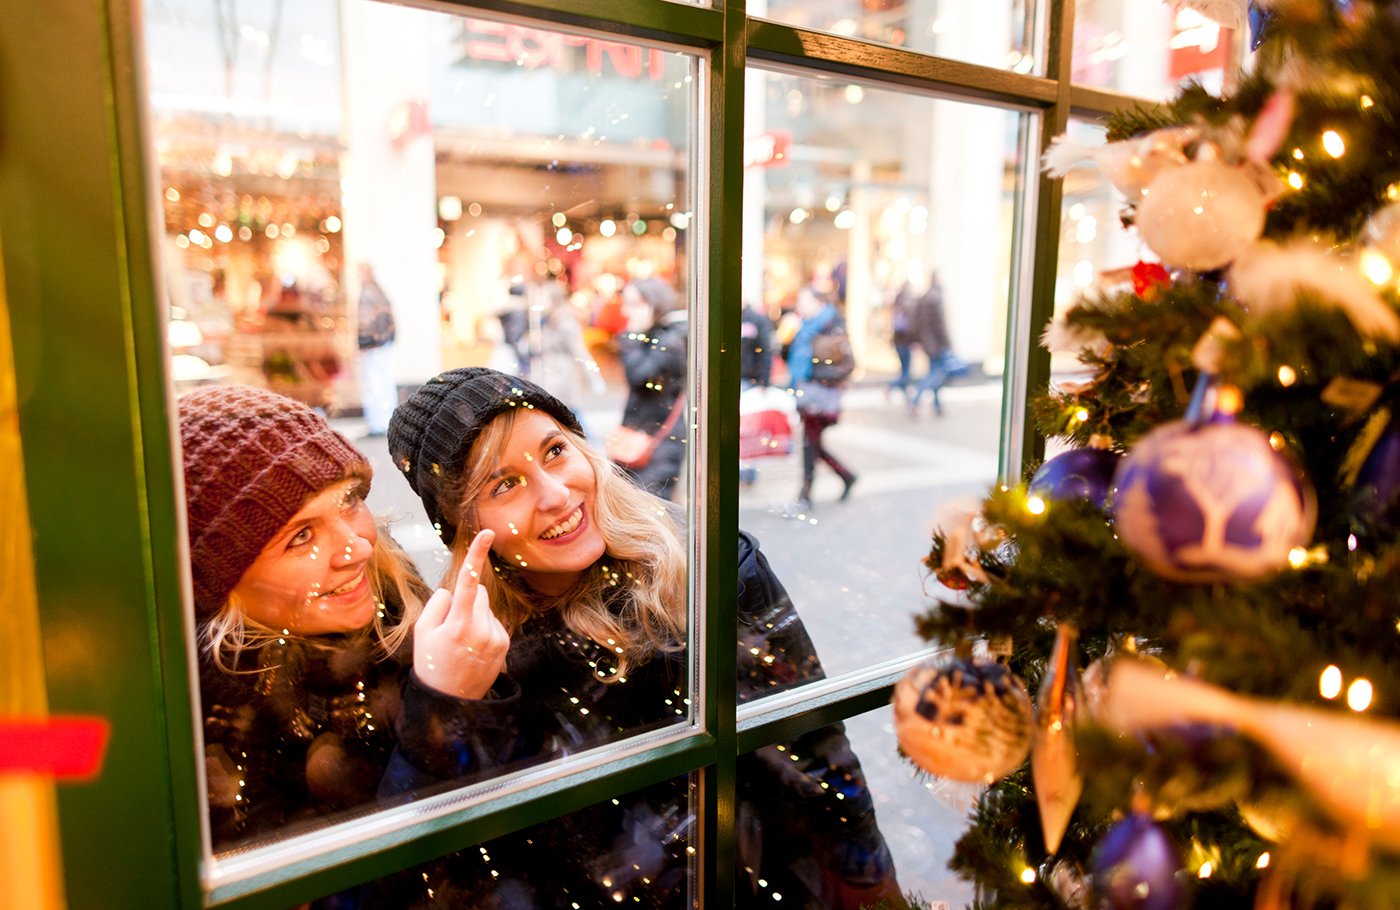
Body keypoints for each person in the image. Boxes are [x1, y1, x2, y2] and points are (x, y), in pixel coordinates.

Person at [384, 367, 905, 908]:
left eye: (556, 451)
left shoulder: (707, 567)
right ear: (464, 526)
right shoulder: (470, 654)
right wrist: (442, 702)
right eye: (504, 484)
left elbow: (813, 744)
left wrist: (868, 874)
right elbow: (451, 861)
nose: (556, 494)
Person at [181, 385, 508, 851]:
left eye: (350, 500)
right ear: (219, 580)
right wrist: (442, 708)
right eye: (300, 536)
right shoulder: (216, 724)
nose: (358, 547)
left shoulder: (392, 592)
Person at [616, 276, 688, 499]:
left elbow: (639, 375)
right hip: (643, 433)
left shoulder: (671, 339)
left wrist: (632, 336)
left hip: (660, 440)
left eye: (632, 304)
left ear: (651, 304)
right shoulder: (656, 335)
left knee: (650, 508)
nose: (626, 311)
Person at [788, 285, 857, 511]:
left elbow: (849, 364)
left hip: (822, 397)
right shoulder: (802, 328)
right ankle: (846, 476)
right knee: (812, 444)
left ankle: (805, 494)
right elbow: (788, 356)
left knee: (810, 444)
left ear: (818, 303)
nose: (799, 306)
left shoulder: (833, 325)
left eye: (803, 301)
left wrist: (819, 375)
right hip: (806, 395)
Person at [357, 263, 398, 435]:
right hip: (384, 344)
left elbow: (365, 323)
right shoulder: (380, 292)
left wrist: (364, 344)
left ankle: (376, 424)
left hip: (373, 347)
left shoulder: (367, 294)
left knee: (373, 384)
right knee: (385, 383)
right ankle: (388, 420)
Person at [908, 278, 952, 416]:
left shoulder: (925, 297)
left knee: (936, 373)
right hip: (936, 344)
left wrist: (917, 340)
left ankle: (938, 406)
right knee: (934, 374)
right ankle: (914, 401)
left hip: (927, 343)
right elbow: (940, 324)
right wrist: (948, 343)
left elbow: (916, 322)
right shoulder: (936, 298)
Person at [886, 284, 919, 402]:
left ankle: (907, 396)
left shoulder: (897, 303)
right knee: (906, 371)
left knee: (904, 369)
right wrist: (915, 340)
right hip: (906, 341)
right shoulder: (909, 304)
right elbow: (912, 327)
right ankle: (891, 386)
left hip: (898, 341)